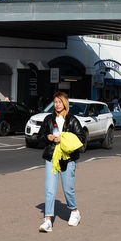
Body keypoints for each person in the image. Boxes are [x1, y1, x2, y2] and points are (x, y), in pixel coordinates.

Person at [36, 91, 84, 232]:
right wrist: (48, 137)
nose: (57, 105)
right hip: (52, 156)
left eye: (60, 102)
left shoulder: (72, 120)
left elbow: (81, 138)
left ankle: (74, 211)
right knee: (50, 190)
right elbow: (40, 136)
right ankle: (48, 220)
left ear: (65, 103)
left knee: (68, 189)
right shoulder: (48, 119)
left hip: (67, 158)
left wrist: (63, 138)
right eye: (55, 102)